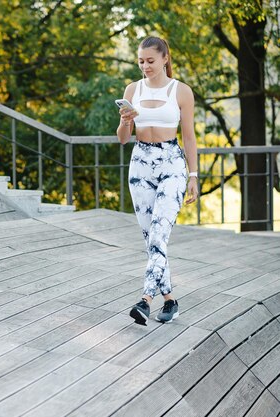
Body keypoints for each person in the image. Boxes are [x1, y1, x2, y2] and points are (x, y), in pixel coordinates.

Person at [116, 36, 198, 326]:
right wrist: (126, 120)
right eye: (141, 61)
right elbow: (123, 139)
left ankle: (145, 300)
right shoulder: (132, 89)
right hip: (140, 163)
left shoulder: (181, 91)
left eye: (150, 60)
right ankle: (170, 300)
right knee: (151, 239)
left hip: (171, 163)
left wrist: (193, 175)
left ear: (165, 59)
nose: (145, 66)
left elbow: (189, 136)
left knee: (160, 233)